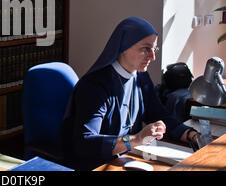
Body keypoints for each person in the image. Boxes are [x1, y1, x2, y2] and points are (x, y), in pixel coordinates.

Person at [62, 16, 199, 171]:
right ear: (123, 47)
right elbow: (85, 143)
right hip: (96, 164)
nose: (152, 57)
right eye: (146, 49)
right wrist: (135, 139)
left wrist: (190, 135)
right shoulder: (95, 86)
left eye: (154, 49)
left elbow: (158, 113)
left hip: (127, 157)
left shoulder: (140, 76)